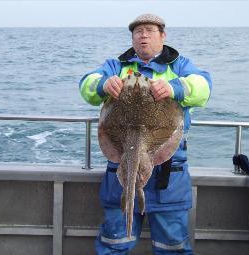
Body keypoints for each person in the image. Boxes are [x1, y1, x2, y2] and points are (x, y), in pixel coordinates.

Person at [79, 13, 212, 255]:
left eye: (150, 30)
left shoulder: (179, 66)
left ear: (163, 35)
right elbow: (87, 84)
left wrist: (175, 88)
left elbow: (204, 87)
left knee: (172, 245)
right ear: (132, 38)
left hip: (169, 167)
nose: (143, 35)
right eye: (138, 31)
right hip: (122, 157)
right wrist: (103, 84)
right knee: (115, 241)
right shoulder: (116, 66)